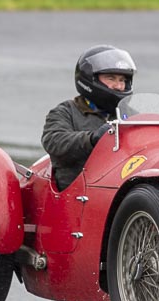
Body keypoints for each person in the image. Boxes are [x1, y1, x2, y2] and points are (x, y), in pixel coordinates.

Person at [41, 45, 137, 191]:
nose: (118, 86)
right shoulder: (65, 111)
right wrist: (92, 139)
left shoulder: (130, 116)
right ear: (90, 79)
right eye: (111, 78)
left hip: (121, 188)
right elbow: (54, 141)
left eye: (122, 80)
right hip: (79, 193)